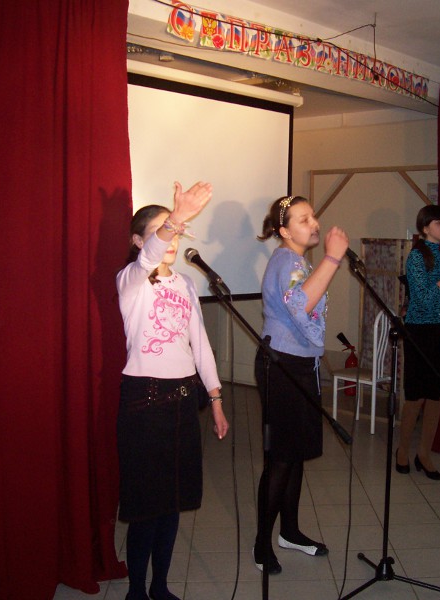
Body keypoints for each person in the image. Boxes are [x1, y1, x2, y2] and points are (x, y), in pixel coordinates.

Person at [116, 181, 230, 600]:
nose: (172, 238)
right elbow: (149, 257)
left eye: (176, 231)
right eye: (162, 230)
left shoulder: (184, 284)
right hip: (144, 403)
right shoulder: (131, 280)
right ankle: (136, 591)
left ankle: (160, 587)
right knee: (147, 508)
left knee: (173, 504)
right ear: (137, 240)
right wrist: (177, 216)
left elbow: (199, 344)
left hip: (183, 402)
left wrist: (216, 400)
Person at [253, 195, 349, 574]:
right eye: (303, 219)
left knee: (296, 454)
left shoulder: (299, 261)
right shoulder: (286, 261)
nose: (314, 223)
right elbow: (300, 304)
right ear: (284, 230)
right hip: (282, 366)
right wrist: (332, 259)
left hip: (301, 364)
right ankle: (262, 543)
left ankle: (289, 532)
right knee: (281, 458)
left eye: (313, 216)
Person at [395, 205, 440, 481]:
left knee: (436, 396)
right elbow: (423, 299)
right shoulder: (416, 257)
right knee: (416, 396)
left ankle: (424, 454)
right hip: (419, 332)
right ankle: (403, 451)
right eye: (438, 222)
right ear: (425, 228)